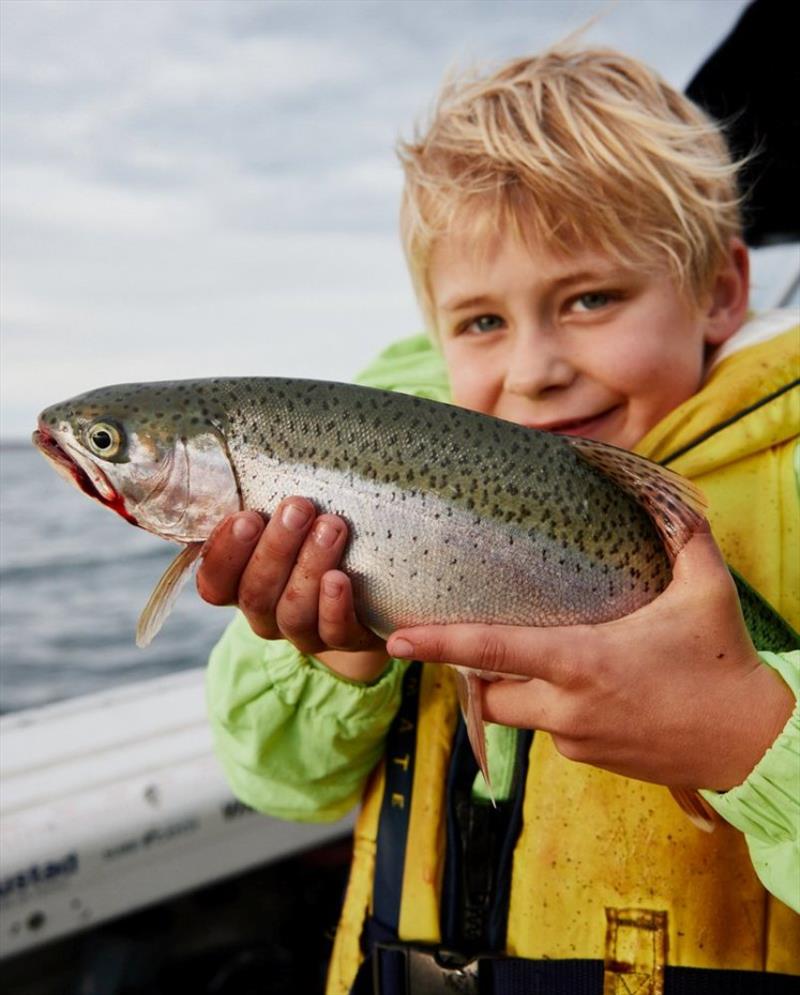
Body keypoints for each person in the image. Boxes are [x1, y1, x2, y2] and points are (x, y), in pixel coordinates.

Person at [200, 44, 799, 992]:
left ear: (720, 291)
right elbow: (278, 780)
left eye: (592, 299)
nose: (535, 369)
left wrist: (751, 739)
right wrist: (339, 658)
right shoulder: (369, 483)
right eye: (483, 323)